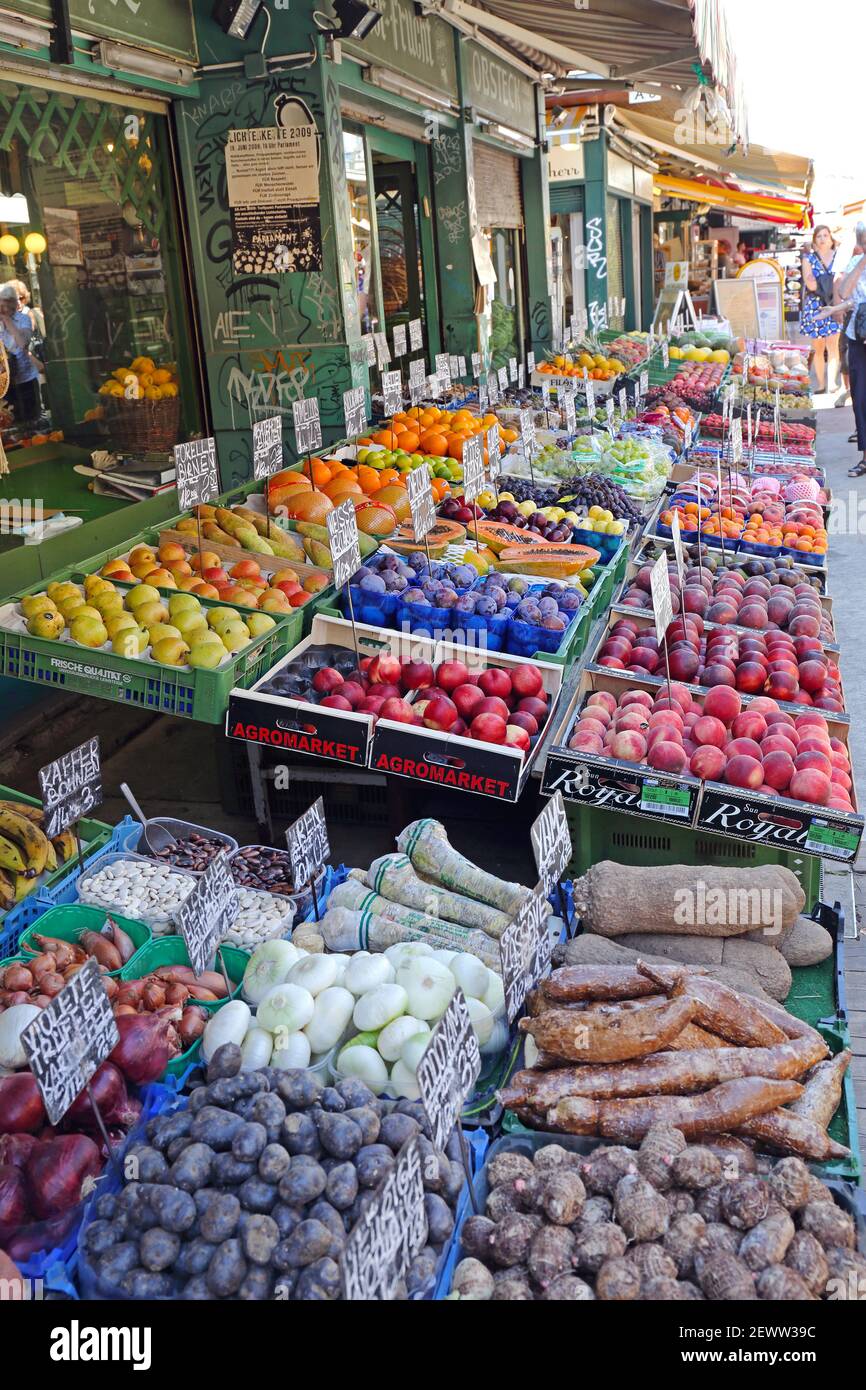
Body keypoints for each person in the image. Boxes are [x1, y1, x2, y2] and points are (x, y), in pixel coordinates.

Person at [833, 228, 866, 476]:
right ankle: (865, 458)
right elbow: (845, 293)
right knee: (861, 397)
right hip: (859, 338)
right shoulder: (856, 262)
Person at [800, 225, 841, 394]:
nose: (823, 239)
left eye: (825, 235)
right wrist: (830, 281)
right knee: (818, 347)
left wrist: (821, 282)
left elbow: (841, 279)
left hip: (834, 303)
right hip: (815, 306)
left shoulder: (838, 257)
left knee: (833, 345)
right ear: (815, 240)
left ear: (831, 239)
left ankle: (831, 383)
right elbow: (810, 283)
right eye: (819, 236)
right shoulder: (808, 259)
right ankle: (821, 384)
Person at [0, 282, 41, 426]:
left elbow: (22, 343)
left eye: (7, 304)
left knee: (31, 421)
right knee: (9, 422)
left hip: (26, 379)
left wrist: (7, 321)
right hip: (5, 384)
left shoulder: (23, 319)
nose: (4, 309)